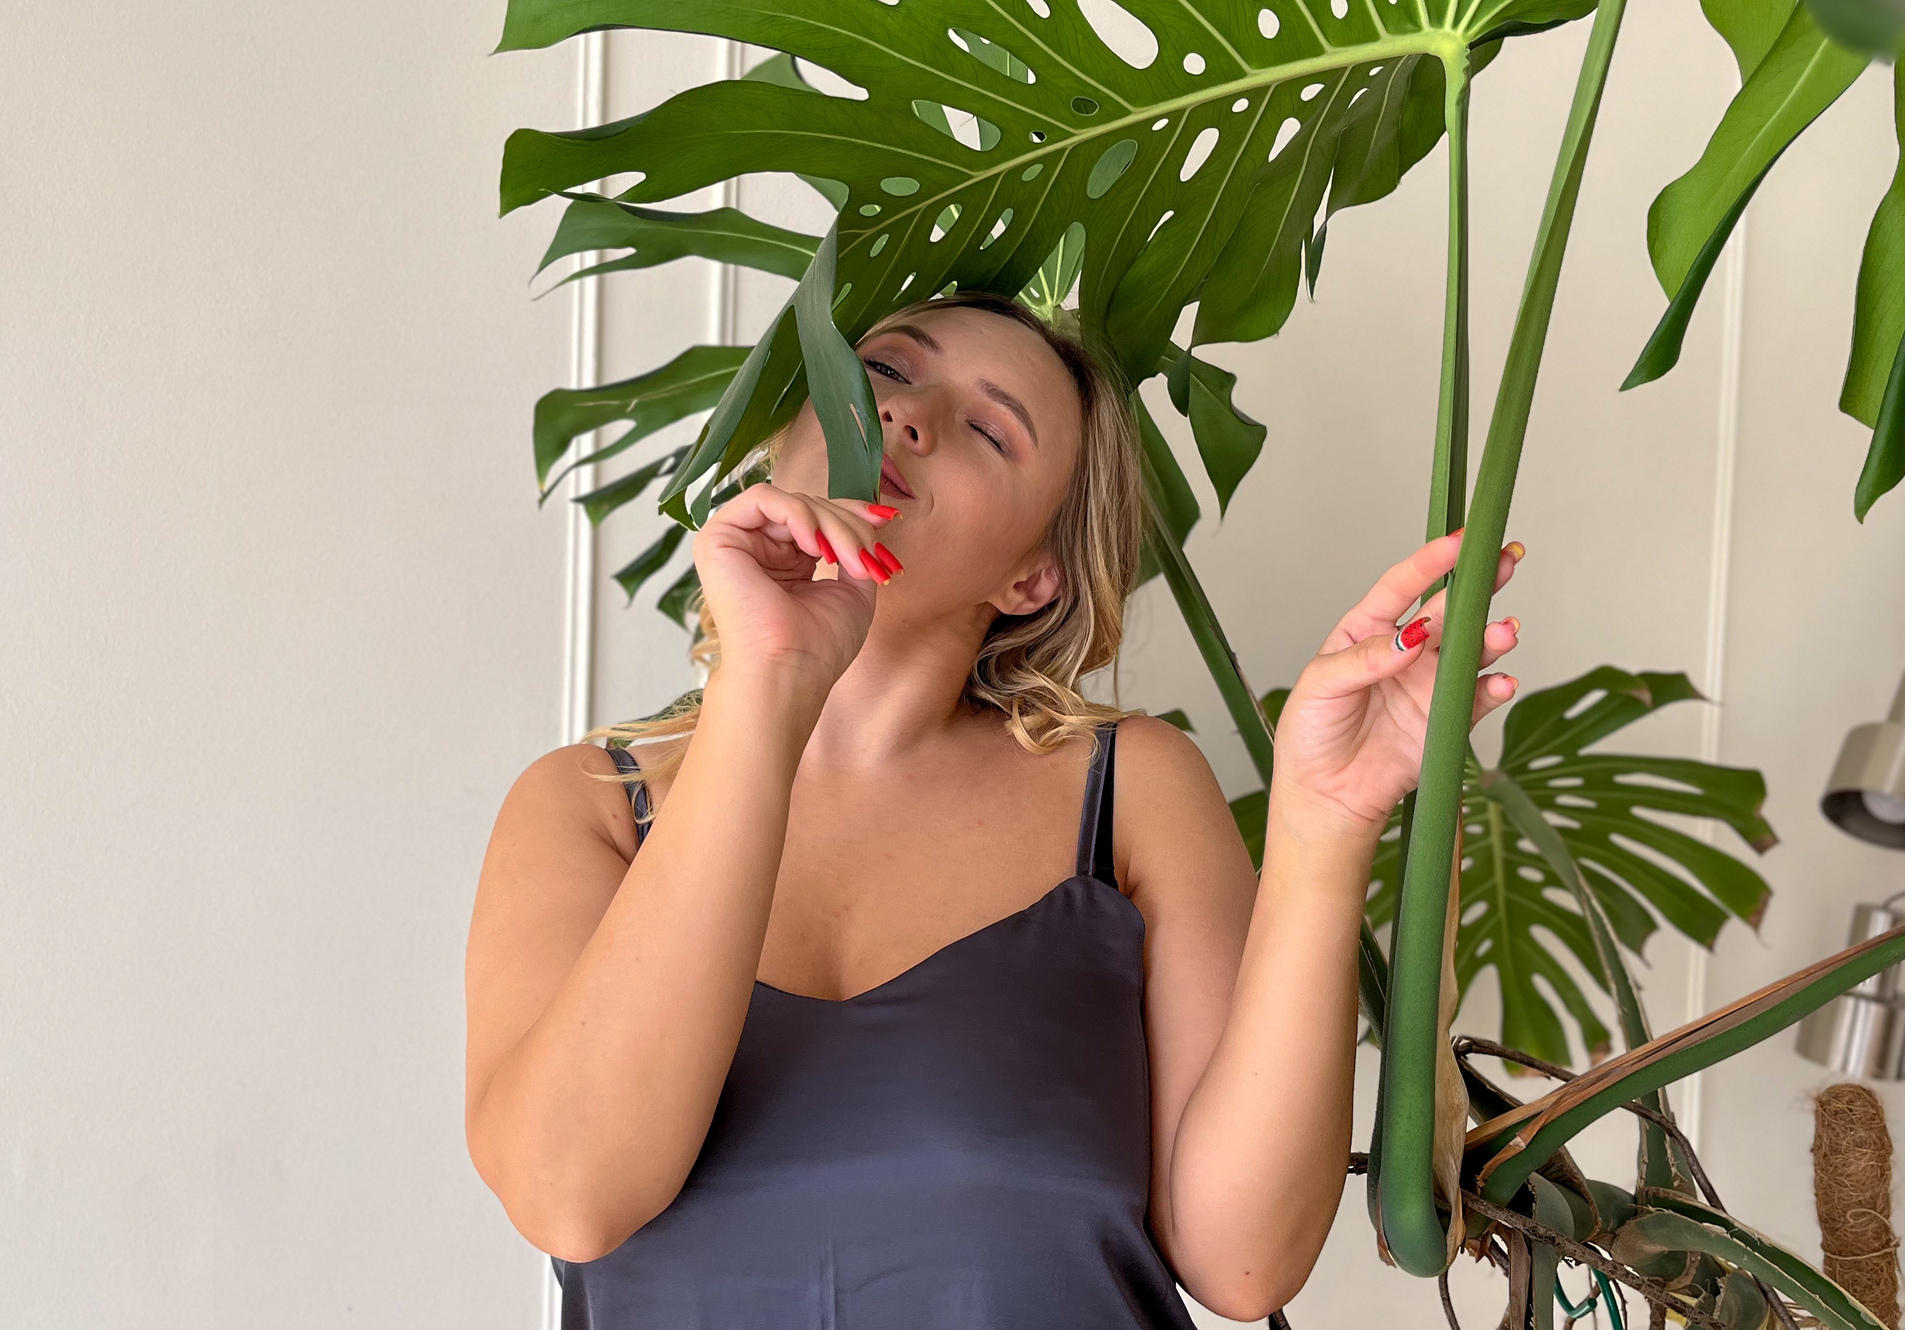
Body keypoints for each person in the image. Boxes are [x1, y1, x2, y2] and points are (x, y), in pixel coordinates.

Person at [463, 289, 1526, 1327]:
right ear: (784, 433)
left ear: (1032, 577)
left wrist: (1322, 826)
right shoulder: (587, 806)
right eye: (883, 368)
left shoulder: (1131, 791)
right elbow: (571, 1194)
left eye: (988, 429)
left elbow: (1243, 1262)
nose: (906, 414)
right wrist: (769, 679)